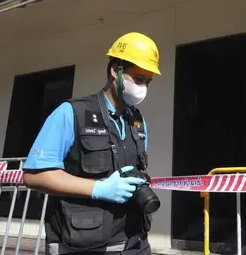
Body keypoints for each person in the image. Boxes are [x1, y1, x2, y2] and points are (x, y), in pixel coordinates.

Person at [23, 32, 161, 255]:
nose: (143, 87)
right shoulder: (72, 113)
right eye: (138, 79)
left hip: (134, 243)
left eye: (147, 81)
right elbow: (35, 175)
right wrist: (99, 189)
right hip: (83, 245)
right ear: (116, 70)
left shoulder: (138, 122)